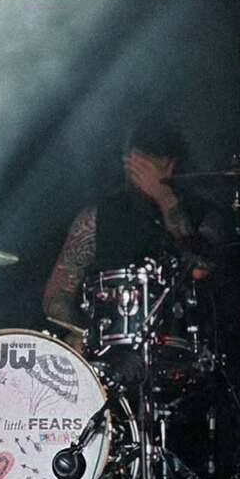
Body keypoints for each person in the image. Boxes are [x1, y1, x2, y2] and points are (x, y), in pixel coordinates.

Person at [42, 110, 217, 340]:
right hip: (111, 348)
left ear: (170, 164)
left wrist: (165, 199)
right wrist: (86, 334)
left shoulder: (202, 214)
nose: (137, 171)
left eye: (147, 163)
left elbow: (201, 268)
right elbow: (56, 299)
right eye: (133, 161)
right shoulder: (97, 217)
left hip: (182, 344)